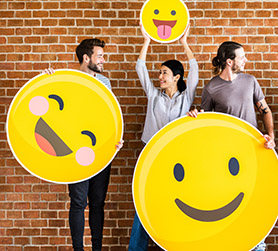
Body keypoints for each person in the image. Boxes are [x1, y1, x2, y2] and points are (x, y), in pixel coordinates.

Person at [188, 41, 275, 251]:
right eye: (242, 57)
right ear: (230, 61)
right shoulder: (211, 88)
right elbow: (206, 121)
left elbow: (265, 111)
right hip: (224, 156)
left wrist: (271, 135)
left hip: (251, 151)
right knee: (229, 199)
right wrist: (194, 116)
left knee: (252, 197)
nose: (246, 60)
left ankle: (257, 244)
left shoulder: (250, 81)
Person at [43, 38, 123, 251]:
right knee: (78, 202)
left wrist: (115, 139)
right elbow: (52, 107)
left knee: (98, 203)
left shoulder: (105, 82)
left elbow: (108, 116)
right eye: (100, 56)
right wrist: (47, 80)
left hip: (101, 150)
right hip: (74, 152)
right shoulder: (67, 80)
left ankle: (97, 248)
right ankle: (78, 249)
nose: (103, 60)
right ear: (86, 58)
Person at [128, 24, 199, 251]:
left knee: (179, 202)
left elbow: (195, 69)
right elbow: (140, 68)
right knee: (145, 202)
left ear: (176, 77)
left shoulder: (186, 97)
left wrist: (184, 42)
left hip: (178, 156)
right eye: (159, 72)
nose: (159, 76)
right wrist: (147, 40)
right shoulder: (153, 95)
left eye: (164, 72)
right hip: (152, 153)